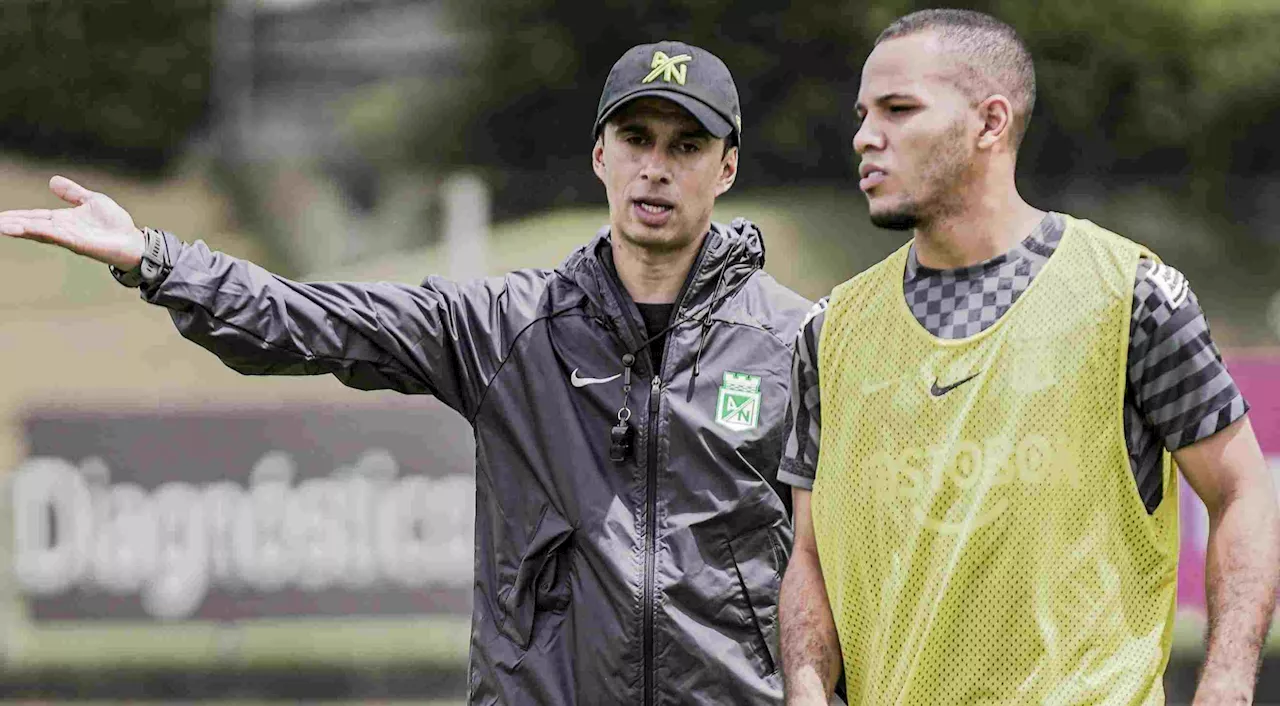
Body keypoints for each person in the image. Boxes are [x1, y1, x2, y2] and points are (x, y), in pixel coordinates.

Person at [0, 41, 812, 705]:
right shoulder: (507, 328)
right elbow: (319, 319)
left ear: (728, 167)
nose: (656, 168)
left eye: (687, 145)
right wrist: (155, 259)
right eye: (637, 139)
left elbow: (842, 563)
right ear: (600, 154)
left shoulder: (796, 341)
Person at [776, 9, 1280, 706]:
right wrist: (804, 687)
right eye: (863, 113)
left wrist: (1225, 686)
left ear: (990, 124)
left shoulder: (1131, 297)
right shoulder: (828, 332)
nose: (865, 136)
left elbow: (1243, 493)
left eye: (898, 109)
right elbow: (808, 554)